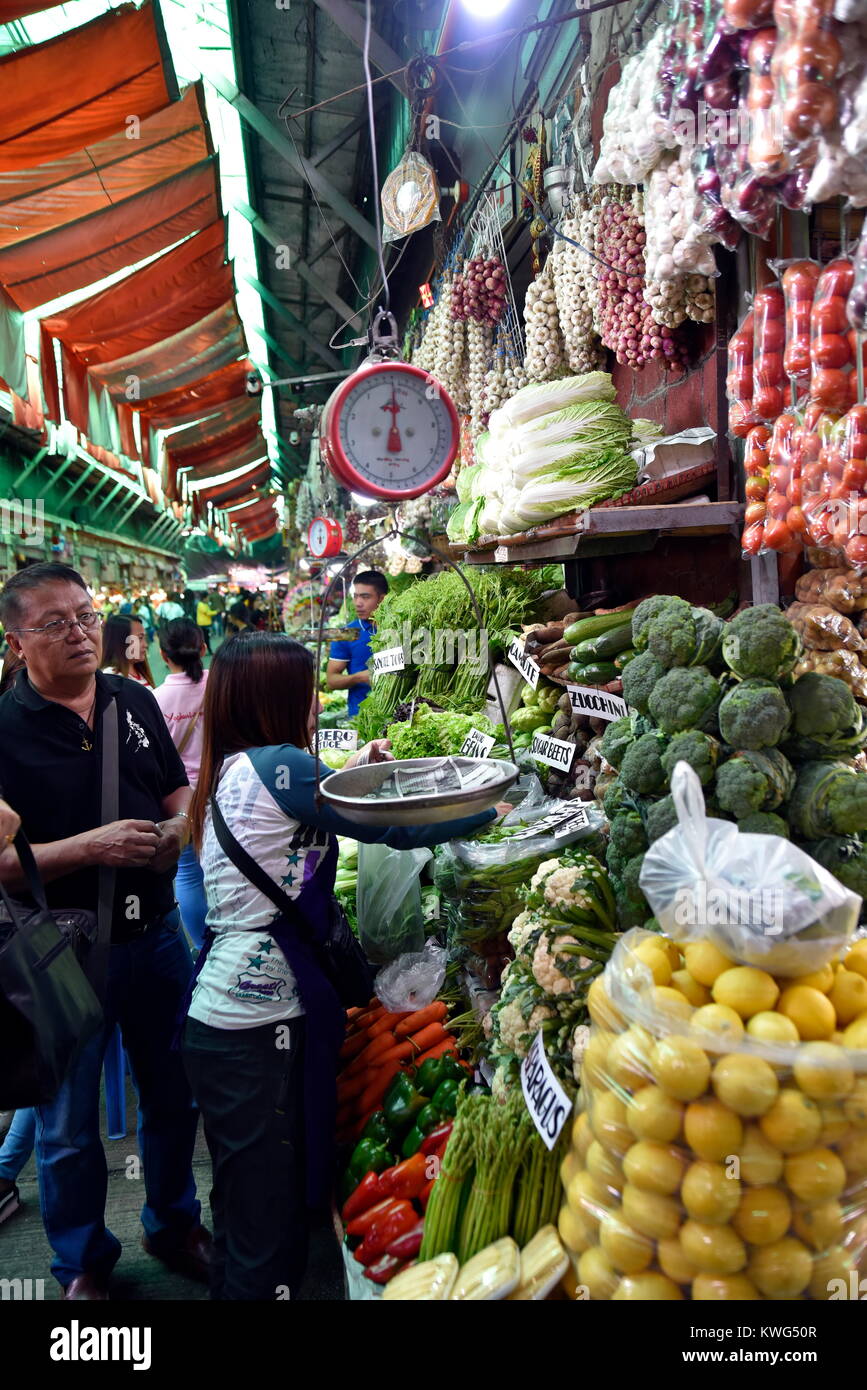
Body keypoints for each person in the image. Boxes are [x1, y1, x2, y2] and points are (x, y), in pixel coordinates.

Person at [181, 633, 496, 1300]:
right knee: (266, 1221)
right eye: (305, 685)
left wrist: (359, 764)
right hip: (256, 1027)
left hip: (229, 1017)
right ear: (281, 695)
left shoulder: (237, 767)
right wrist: (490, 809)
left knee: (247, 1201)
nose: (314, 696)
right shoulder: (281, 763)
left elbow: (315, 806)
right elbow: (390, 827)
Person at [0, 561, 209, 1300]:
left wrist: (179, 826)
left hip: (155, 937)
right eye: (54, 623)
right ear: (17, 640)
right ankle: (81, 1263)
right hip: (61, 953)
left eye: (86, 616)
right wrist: (88, 849)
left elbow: (179, 788)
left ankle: (174, 1221)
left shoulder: (135, 700)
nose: (79, 633)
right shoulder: (3, 728)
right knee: (64, 1128)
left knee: (175, 1092)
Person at [153, 619, 209, 949]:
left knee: (187, 873)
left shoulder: (154, 699)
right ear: (202, 648)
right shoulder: (220, 684)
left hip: (181, 798)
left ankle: (203, 947)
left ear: (163, 655)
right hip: (225, 789)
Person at [326, 570, 389, 719]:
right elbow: (331, 680)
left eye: (365, 597)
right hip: (360, 718)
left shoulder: (398, 628)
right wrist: (359, 678)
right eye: (355, 596)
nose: (358, 603)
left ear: (382, 598)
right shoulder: (346, 633)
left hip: (399, 713)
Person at [101, 614, 155, 687]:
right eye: (140, 638)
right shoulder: (112, 677)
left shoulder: (139, 671)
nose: (145, 645)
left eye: (144, 638)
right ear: (120, 641)